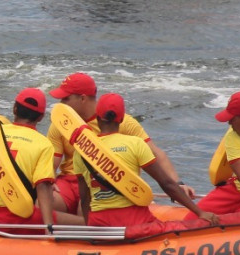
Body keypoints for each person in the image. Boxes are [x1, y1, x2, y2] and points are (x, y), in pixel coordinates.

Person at [46, 71, 192, 213]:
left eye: (65, 99)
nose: (60, 104)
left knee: (85, 208)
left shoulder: (121, 121)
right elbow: (52, 163)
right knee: (44, 203)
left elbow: (155, 153)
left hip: (107, 181)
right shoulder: (61, 124)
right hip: (70, 181)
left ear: (82, 98)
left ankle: (78, 226)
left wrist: (177, 183)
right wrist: (48, 181)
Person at [79, 93, 215, 229]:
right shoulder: (135, 144)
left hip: (99, 222)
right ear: (121, 120)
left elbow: (85, 197)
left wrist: (91, 230)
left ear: (97, 119)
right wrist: (200, 212)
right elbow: (166, 184)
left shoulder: (82, 150)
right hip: (133, 220)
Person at [0, 88, 83, 231]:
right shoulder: (43, 144)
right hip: (15, 220)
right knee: (83, 224)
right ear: (41, 117)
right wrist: (48, 228)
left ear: (14, 109)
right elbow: (43, 187)